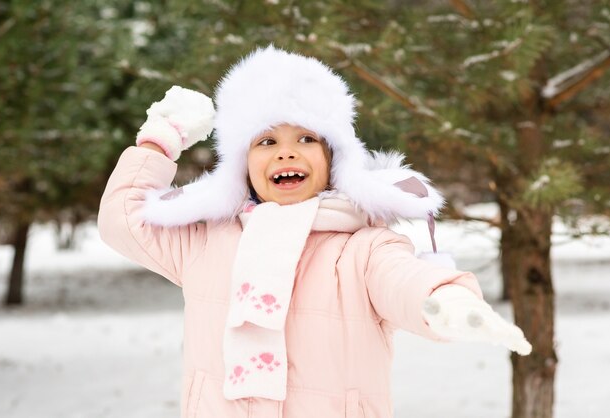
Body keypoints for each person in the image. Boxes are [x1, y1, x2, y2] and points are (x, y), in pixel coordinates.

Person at [98, 45, 531, 418]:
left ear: (334, 159)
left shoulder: (360, 250)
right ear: (240, 167)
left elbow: (404, 279)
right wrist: (158, 142)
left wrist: (444, 299)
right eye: (266, 142)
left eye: (306, 138)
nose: (286, 151)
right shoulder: (208, 244)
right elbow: (124, 221)